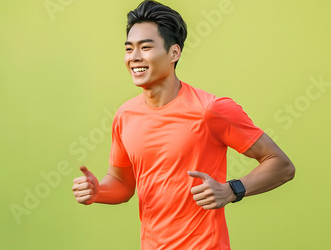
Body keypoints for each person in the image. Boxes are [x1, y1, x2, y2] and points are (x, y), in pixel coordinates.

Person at [71, 1, 295, 249]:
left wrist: (232, 190)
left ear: (174, 53)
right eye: (129, 49)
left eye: (145, 47)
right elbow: (123, 184)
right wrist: (97, 191)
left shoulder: (210, 109)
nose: (134, 57)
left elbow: (282, 165)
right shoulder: (125, 115)